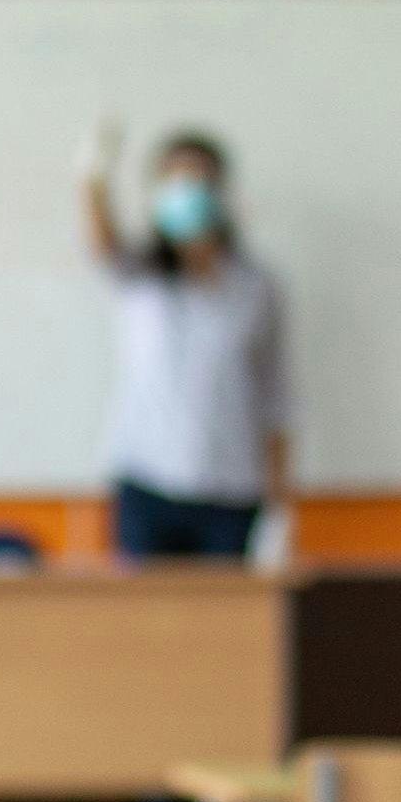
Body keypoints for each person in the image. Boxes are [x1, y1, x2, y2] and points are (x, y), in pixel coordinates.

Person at [79, 120, 291, 561]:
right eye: (174, 179)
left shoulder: (255, 287)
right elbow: (103, 245)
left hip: (231, 488)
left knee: (225, 624)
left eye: (197, 178)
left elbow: (277, 397)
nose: (186, 189)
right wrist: (93, 178)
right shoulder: (141, 277)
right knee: (147, 624)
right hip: (146, 481)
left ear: (219, 192)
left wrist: (280, 508)